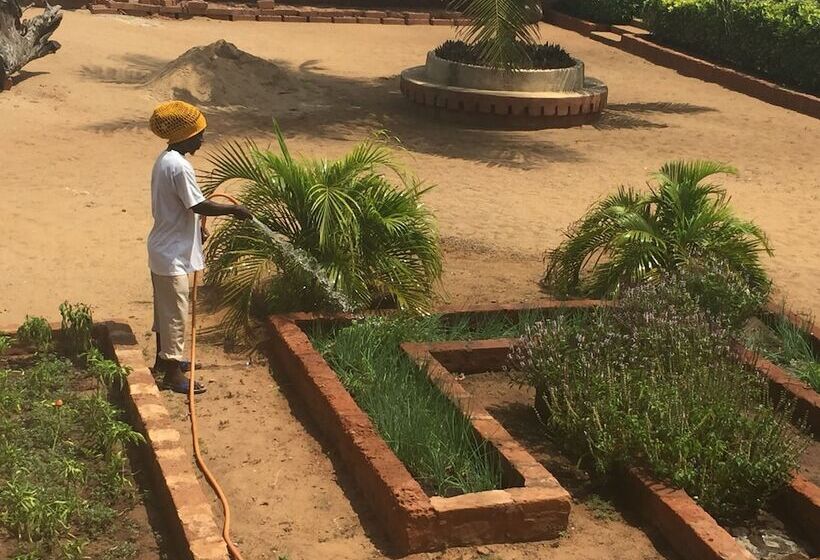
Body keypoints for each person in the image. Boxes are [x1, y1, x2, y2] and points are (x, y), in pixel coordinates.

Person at [147, 100, 252, 394]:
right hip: (171, 256)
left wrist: (197, 230)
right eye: (199, 134)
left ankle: (163, 361)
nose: (202, 139)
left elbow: (183, 208)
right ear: (186, 136)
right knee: (176, 314)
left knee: (165, 311)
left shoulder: (166, 159)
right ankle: (172, 376)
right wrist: (234, 211)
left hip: (164, 248)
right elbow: (197, 204)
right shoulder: (180, 167)